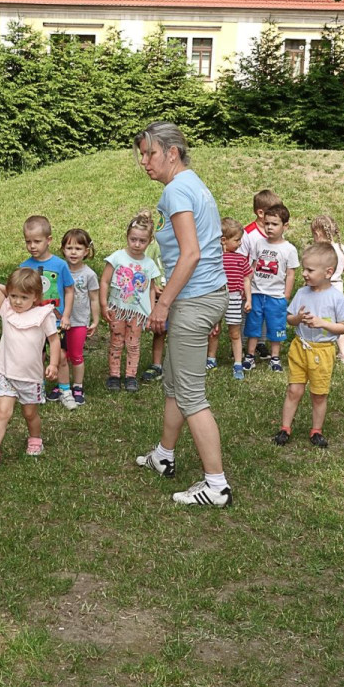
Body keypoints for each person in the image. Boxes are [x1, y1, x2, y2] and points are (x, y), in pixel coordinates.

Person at [131, 122, 232, 508]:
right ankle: (164, 454)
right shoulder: (191, 183)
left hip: (194, 300)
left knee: (191, 395)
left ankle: (216, 485)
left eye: (150, 153)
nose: (144, 161)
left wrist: (163, 302)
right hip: (205, 295)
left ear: (171, 153)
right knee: (174, 381)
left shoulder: (176, 190)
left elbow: (191, 253)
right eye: (142, 154)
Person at [273, 242, 344, 448]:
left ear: (328, 272)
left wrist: (322, 323)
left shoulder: (336, 297)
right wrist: (298, 318)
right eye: (304, 269)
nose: (305, 274)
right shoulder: (302, 293)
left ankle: (316, 430)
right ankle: (285, 428)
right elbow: (289, 319)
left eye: (310, 270)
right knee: (294, 390)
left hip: (323, 351)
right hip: (300, 347)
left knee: (319, 393)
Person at [0, 268, 61, 467]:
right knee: (2, 412)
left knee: (29, 414)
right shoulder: (7, 309)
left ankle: (35, 440)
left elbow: (54, 339)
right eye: (14, 295)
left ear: (35, 296)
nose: (17, 301)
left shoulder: (43, 315)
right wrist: (11, 289)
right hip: (7, 374)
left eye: (24, 297)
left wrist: (53, 363)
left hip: (31, 377)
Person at [99, 210, 160, 393]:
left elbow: (151, 288)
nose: (137, 244)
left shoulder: (149, 264)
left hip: (137, 313)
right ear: (127, 236)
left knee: (133, 344)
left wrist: (151, 311)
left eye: (142, 241)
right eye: (133, 239)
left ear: (149, 242)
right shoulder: (117, 257)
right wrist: (103, 304)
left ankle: (131, 376)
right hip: (118, 309)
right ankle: (114, 375)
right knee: (117, 341)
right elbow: (104, 281)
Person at [19, 215, 74, 403]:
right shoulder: (25, 267)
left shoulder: (60, 265)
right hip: (34, 322)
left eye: (37, 241)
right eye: (28, 241)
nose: (32, 246)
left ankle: (65, 390)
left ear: (49, 240)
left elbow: (69, 290)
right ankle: (38, 388)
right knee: (38, 357)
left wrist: (66, 315)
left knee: (62, 356)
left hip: (57, 321)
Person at [244, 203, 299, 373]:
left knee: (276, 327)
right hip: (257, 292)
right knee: (253, 326)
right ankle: (250, 356)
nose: (269, 227)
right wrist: (247, 288)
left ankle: (275, 357)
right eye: (267, 223)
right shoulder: (259, 243)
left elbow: (290, 274)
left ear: (285, 226)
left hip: (276, 296)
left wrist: (286, 295)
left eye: (274, 224)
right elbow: (252, 267)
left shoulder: (289, 249)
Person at [205, 218, 252, 378]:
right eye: (237, 240)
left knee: (235, 332)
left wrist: (249, 299)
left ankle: (238, 362)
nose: (240, 244)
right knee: (213, 331)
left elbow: (247, 278)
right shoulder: (214, 258)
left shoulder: (240, 259)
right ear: (223, 240)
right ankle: (211, 358)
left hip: (234, 298)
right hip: (217, 297)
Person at [60, 228, 100, 407]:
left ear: (86, 251)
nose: (73, 252)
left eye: (78, 248)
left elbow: (94, 298)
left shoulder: (89, 274)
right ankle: (63, 386)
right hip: (59, 320)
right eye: (69, 248)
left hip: (79, 321)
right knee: (61, 355)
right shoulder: (60, 269)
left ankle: (77, 386)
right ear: (63, 250)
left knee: (75, 355)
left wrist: (95, 320)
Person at [311, 214, 344, 364]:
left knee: (320, 318)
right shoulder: (342, 248)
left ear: (317, 233)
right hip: (338, 287)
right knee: (338, 322)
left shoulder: (320, 251)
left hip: (323, 288)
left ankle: (319, 347)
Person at [139, 238, 168, 384]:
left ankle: (178, 365)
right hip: (159, 292)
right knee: (160, 331)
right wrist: (153, 286)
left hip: (181, 294)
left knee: (181, 331)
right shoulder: (155, 244)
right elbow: (146, 266)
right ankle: (157, 364)